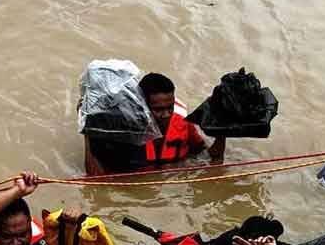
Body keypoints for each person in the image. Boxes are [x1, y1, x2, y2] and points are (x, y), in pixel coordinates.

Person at [85, 73, 226, 175]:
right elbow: (96, 177)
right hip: (138, 190)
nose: (166, 115)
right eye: (158, 110)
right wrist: (87, 132)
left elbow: (208, 156)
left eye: (169, 107)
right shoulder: (125, 129)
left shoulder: (183, 120)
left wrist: (222, 133)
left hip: (174, 186)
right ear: (143, 105)